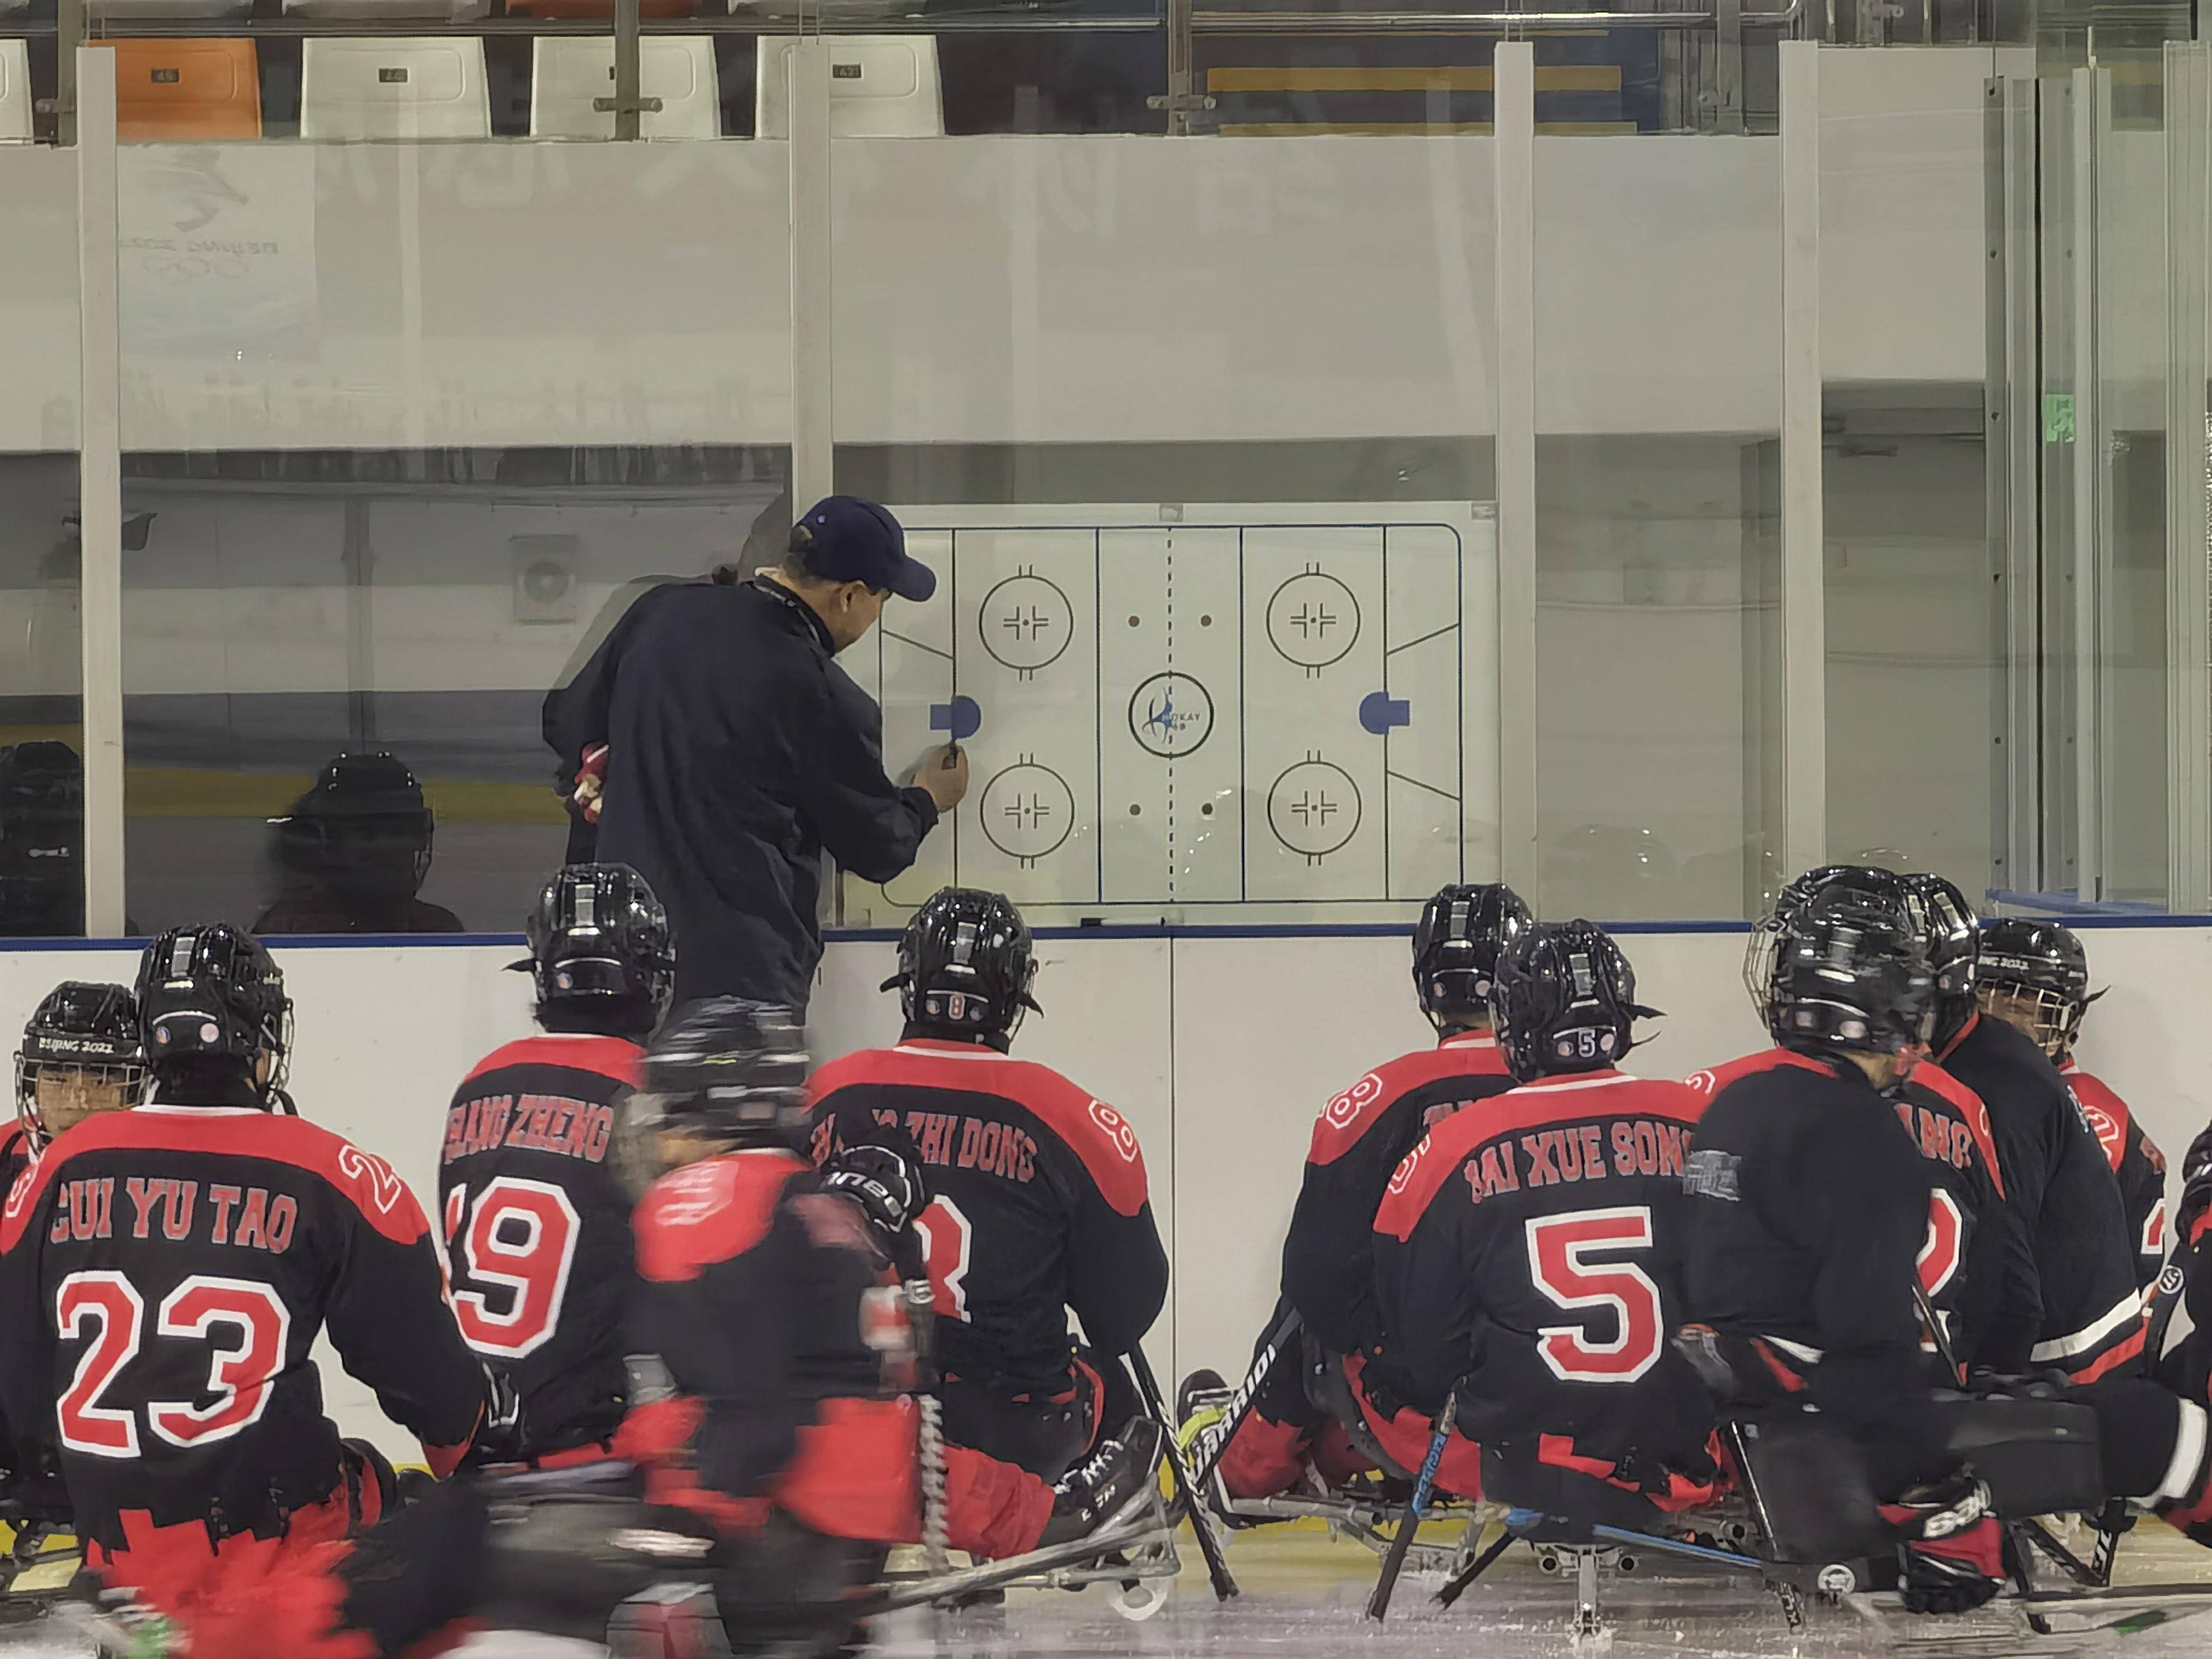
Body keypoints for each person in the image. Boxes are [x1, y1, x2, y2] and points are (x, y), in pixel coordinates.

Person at [621, 999, 1166, 1651]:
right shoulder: (808, 1198)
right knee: (904, 1452)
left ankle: (1062, 1519)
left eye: (673, 1111)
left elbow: (749, 1407)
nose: (658, 1131)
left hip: (782, 1519)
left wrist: (683, 1514)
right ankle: (1067, 1518)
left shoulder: (707, 1195)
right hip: (876, 1482)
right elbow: (1122, 1311)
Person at [0, 923, 488, 1641]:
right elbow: (438, 1393)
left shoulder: (52, 1171)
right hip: (266, 1556)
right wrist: (469, 1460)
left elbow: (22, 1372)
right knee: (407, 1499)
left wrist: (59, 1493)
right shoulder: (335, 1174)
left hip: (113, 1549)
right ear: (261, 1040)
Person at [543, 496, 971, 1014]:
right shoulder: (823, 694)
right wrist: (927, 800)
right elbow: (876, 846)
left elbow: (566, 721)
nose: (878, 616)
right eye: (883, 600)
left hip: (616, 959)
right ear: (850, 596)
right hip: (740, 980)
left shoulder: (661, 613)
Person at [1187, 881, 1532, 1505]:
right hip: (1574, 1397)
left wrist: (1384, 1347)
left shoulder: (1375, 1100)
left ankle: (1243, 1466)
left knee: (1306, 1310)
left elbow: (1317, 1284)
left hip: (1421, 1409)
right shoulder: (1580, 1097)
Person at [807, 887, 1167, 1480]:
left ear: (908, 977)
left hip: (851, 1414)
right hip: (1013, 1426)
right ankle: (1081, 1535)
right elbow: (1124, 1316)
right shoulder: (1074, 1118)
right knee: (1117, 1391)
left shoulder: (827, 1094)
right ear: (1014, 995)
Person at [1371, 920, 1718, 1521]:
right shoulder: (1706, 1120)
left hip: (1526, 1461)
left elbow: (1422, 1349)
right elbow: (1752, 1277)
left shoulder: (1451, 1146)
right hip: (1687, 1449)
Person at [1696, 866, 2039, 1378]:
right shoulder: (1961, 1102)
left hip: (1809, 1403)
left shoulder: (1724, 1095)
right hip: (1940, 1386)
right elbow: (2012, 1294)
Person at [439, 864, 675, 1468]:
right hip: (601, 1451)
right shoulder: (656, 1094)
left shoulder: (478, 1083)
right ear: (650, 974)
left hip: (479, 1440)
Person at [1906, 876, 2144, 1385]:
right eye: (1997, 994)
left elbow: (2010, 1282)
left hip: (2072, 1359)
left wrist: (1987, 1381)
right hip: (2069, 1337)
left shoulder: (1998, 1086)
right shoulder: (1978, 1061)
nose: (2008, 1012)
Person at [1977, 917, 2168, 1289]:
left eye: (2025, 1007)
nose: (2004, 1021)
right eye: (1990, 1000)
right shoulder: (1952, 1090)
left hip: (2068, 1331)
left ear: (2068, 1019)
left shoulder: (2090, 1113)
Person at [252, 752, 464, 936]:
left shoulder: (438, 929)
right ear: (332, 842)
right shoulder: (290, 928)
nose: (388, 847)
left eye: (401, 831)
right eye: (367, 833)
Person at [9, 982, 145, 1191]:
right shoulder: (5, 1155)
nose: (77, 1102)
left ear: (134, 1091)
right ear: (31, 1088)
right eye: (58, 1080)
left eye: (100, 1082)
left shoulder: (165, 1170)